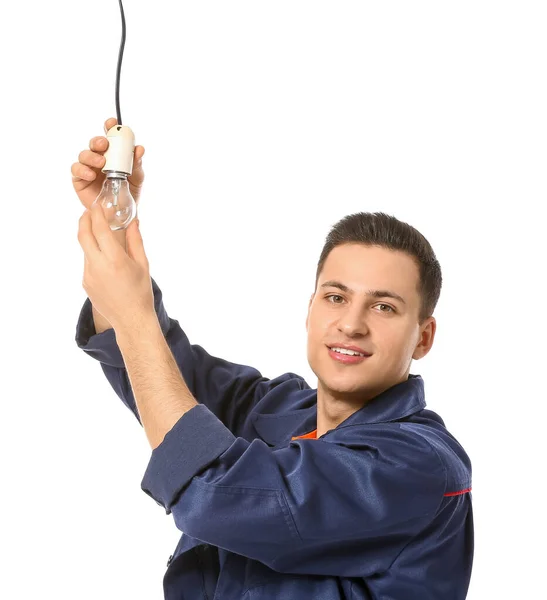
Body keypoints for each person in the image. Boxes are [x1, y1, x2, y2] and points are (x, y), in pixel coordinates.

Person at [72, 118, 474, 600]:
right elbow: (162, 372)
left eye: (384, 306)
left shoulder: (416, 466)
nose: (351, 323)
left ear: (423, 337)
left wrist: (135, 317)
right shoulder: (282, 411)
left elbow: (211, 493)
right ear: (310, 309)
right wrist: (115, 228)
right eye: (335, 297)